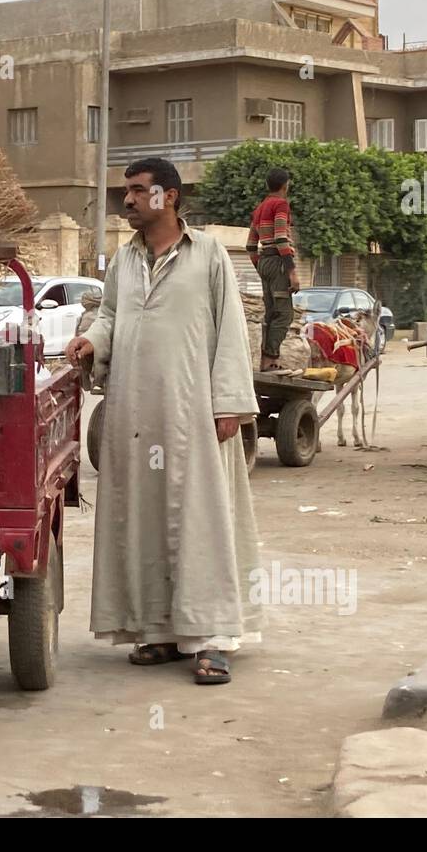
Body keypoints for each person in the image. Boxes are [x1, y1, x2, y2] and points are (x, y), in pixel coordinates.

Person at [65, 157, 263, 685]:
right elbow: (110, 316)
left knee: (202, 523)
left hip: (193, 410)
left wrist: (229, 403)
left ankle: (211, 638)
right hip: (134, 411)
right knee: (142, 518)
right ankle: (156, 630)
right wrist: (93, 341)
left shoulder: (210, 256)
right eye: (125, 192)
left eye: (136, 191)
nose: (126, 201)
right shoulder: (124, 260)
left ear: (168, 196)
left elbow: (231, 330)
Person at [247, 167, 299, 371]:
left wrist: (260, 265)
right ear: (285, 185)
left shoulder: (259, 209)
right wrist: (292, 271)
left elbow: (251, 246)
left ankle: (264, 358)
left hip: (266, 261)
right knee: (284, 314)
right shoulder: (281, 205)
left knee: (270, 313)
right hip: (278, 263)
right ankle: (271, 359)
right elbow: (280, 238)